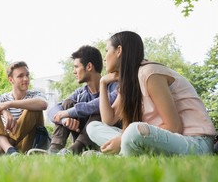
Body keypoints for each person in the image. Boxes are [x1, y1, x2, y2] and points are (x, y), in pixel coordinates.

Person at [86, 31, 216, 156]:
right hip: (161, 140)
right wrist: (103, 83)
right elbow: (108, 119)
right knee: (93, 128)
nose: (104, 57)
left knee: (133, 131)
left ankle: (120, 154)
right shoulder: (130, 81)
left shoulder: (150, 73)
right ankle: (129, 150)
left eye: (107, 51)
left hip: (194, 143)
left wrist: (121, 139)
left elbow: (174, 126)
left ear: (119, 50)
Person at [47, 45, 118, 155]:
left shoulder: (113, 86)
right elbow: (52, 111)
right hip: (82, 135)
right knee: (68, 103)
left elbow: (99, 103)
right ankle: (53, 150)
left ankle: (75, 150)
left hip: (104, 140)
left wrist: (68, 112)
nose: (74, 72)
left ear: (89, 66)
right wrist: (64, 120)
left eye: (76, 67)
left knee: (100, 108)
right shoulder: (80, 93)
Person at [0, 61, 48, 155]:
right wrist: (4, 112)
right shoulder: (4, 97)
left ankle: (2, 149)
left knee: (33, 108)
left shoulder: (35, 94)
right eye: (20, 76)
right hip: (11, 145)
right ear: (11, 80)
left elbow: (43, 104)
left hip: (30, 144)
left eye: (27, 75)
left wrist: (8, 104)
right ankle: (10, 150)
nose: (26, 79)